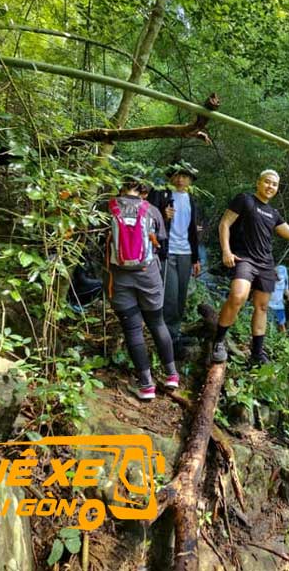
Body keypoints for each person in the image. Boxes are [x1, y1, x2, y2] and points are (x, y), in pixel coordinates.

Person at [212, 170, 289, 364]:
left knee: (261, 306)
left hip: (266, 264)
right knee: (238, 296)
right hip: (244, 258)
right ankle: (218, 341)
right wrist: (226, 251)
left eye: (274, 184)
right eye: (267, 182)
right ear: (258, 183)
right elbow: (224, 224)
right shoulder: (245, 200)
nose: (270, 186)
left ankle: (257, 354)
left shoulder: (273, 213)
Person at [104, 177, 179, 399]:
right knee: (157, 323)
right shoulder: (152, 210)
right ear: (143, 192)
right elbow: (161, 239)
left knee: (133, 329)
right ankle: (171, 375)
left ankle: (146, 385)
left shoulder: (108, 207)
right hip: (148, 275)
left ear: (121, 189)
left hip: (119, 277)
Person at [148, 161, 202, 342]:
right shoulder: (161, 195)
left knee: (181, 295)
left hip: (186, 252)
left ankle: (174, 332)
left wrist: (196, 259)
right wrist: (163, 216)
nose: (180, 179)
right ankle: (167, 336)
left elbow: (193, 230)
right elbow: (147, 221)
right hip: (167, 251)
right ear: (170, 177)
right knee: (169, 294)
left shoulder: (192, 200)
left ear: (190, 181)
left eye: (185, 176)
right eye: (177, 175)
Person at [269, 264, 289, 332]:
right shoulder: (271, 280)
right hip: (269, 305)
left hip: (279, 305)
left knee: (281, 323)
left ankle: (284, 340)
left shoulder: (284, 281)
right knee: (270, 323)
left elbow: (286, 291)